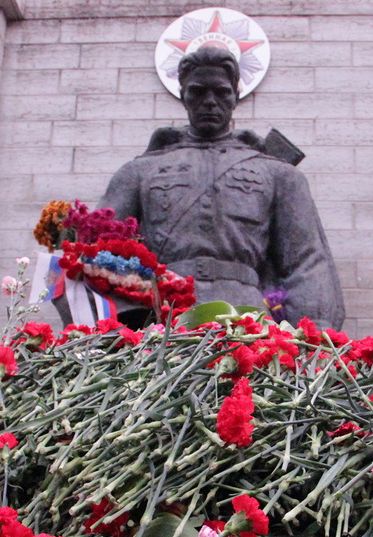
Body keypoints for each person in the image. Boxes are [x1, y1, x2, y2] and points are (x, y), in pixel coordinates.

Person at [97, 46, 345, 329]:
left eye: (221, 92)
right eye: (198, 92)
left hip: (246, 319)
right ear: (183, 96)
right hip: (161, 319)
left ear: (235, 97)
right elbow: (95, 254)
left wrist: (314, 334)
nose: (210, 102)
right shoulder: (140, 171)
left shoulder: (277, 173)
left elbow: (306, 262)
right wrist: (122, 325)